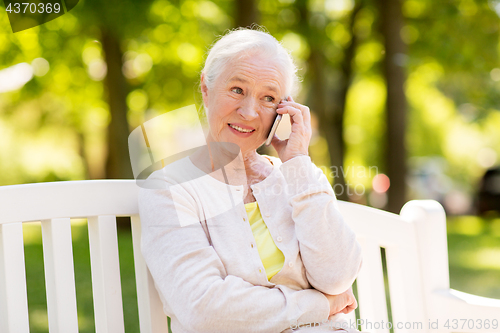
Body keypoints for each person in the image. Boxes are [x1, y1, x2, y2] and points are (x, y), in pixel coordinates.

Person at [138, 27, 363, 333]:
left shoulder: (297, 177)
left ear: (283, 110)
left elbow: (337, 278)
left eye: (268, 98)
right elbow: (204, 310)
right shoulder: (168, 189)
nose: (249, 111)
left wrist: (297, 161)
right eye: (237, 90)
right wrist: (321, 305)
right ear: (206, 87)